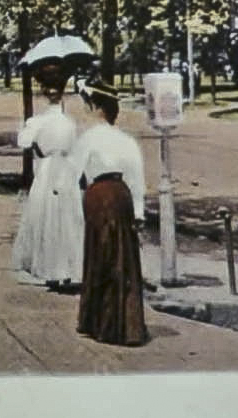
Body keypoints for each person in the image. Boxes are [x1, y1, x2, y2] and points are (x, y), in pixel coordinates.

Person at [71, 78, 149, 346]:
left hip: (99, 197)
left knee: (99, 257)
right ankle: (128, 325)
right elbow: (137, 178)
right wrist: (138, 213)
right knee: (123, 259)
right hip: (122, 196)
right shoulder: (127, 141)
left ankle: (99, 322)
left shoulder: (88, 138)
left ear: (95, 107)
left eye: (87, 105)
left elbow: (73, 173)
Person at [10, 62, 84, 286]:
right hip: (66, 169)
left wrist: (33, 139)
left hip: (46, 169)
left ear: (43, 93)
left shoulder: (38, 122)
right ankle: (67, 266)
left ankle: (47, 265)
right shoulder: (69, 123)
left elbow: (22, 142)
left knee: (44, 215)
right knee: (67, 216)